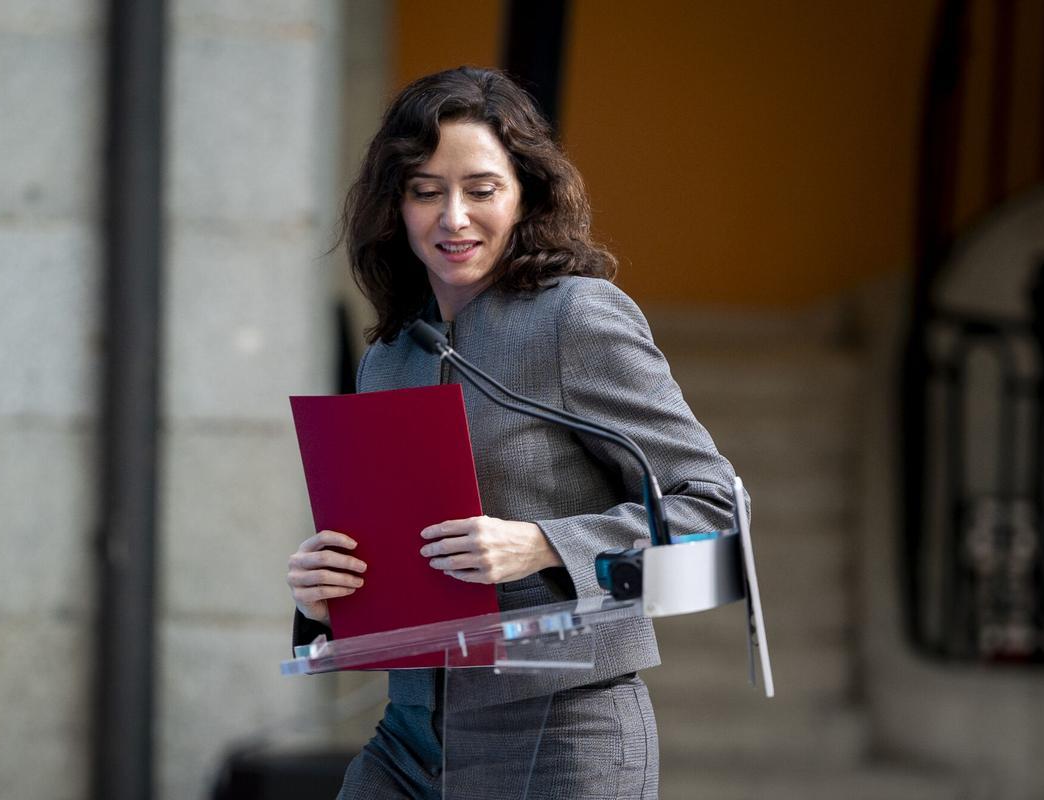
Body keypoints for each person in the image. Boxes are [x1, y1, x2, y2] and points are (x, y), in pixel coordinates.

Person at [286, 66, 743, 799]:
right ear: (396, 206)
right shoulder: (391, 354)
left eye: (481, 189)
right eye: (426, 190)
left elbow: (716, 510)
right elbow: (399, 565)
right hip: (409, 737)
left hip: (561, 732)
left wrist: (541, 544)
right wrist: (323, 598)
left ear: (525, 193)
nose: (453, 217)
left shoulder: (578, 318)